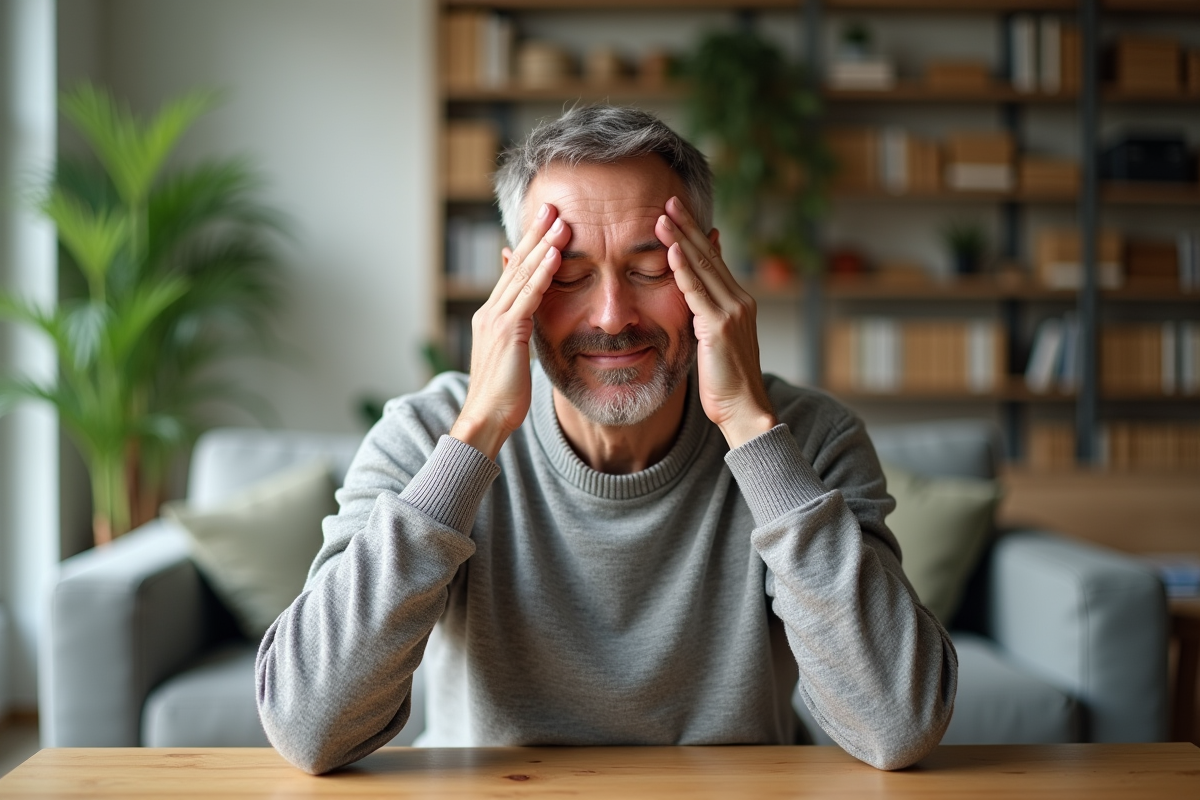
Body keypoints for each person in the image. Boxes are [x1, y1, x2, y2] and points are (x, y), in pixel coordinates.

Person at [255, 106, 957, 775]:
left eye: (651, 268)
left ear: (708, 271)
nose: (613, 316)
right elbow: (308, 726)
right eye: (566, 274)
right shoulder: (424, 437)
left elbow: (898, 724)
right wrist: (473, 441)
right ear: (514, 284)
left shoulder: (808, 438)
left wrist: (750, 428)